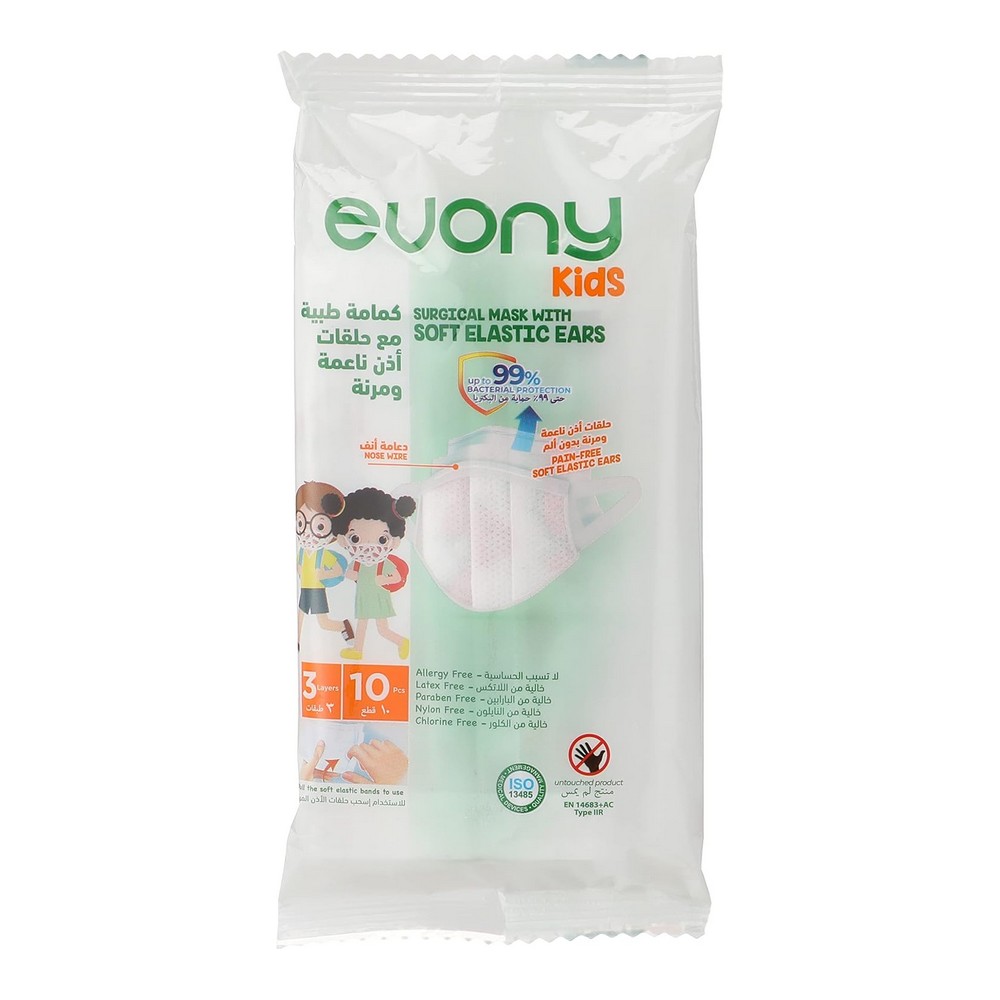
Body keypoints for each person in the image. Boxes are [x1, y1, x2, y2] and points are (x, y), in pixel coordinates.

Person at [330, 487, 415, 660]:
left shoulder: (383, 562)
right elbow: (351, 573)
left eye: (382, 539)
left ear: (393, 540)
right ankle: (358, 650)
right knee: (364, 624)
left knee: (382, 628)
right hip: (364, 596)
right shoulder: (359, 561)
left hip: (378, 596)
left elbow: (397, 576)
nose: (368, 546)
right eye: (355, 538)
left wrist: (383, 579)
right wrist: (348, 574)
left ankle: (402, 642)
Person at [295, 481, 354, 648]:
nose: (309, 530)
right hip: (305, 587)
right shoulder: (302, 550)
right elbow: (299, 566)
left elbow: (338, 570)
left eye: (319, 525)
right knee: (300, 615)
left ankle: (343, 626)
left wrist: (322, 574)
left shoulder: (322, 553)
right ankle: (298, 642)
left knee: (323, 623)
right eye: (301, 523)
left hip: (317, 589)